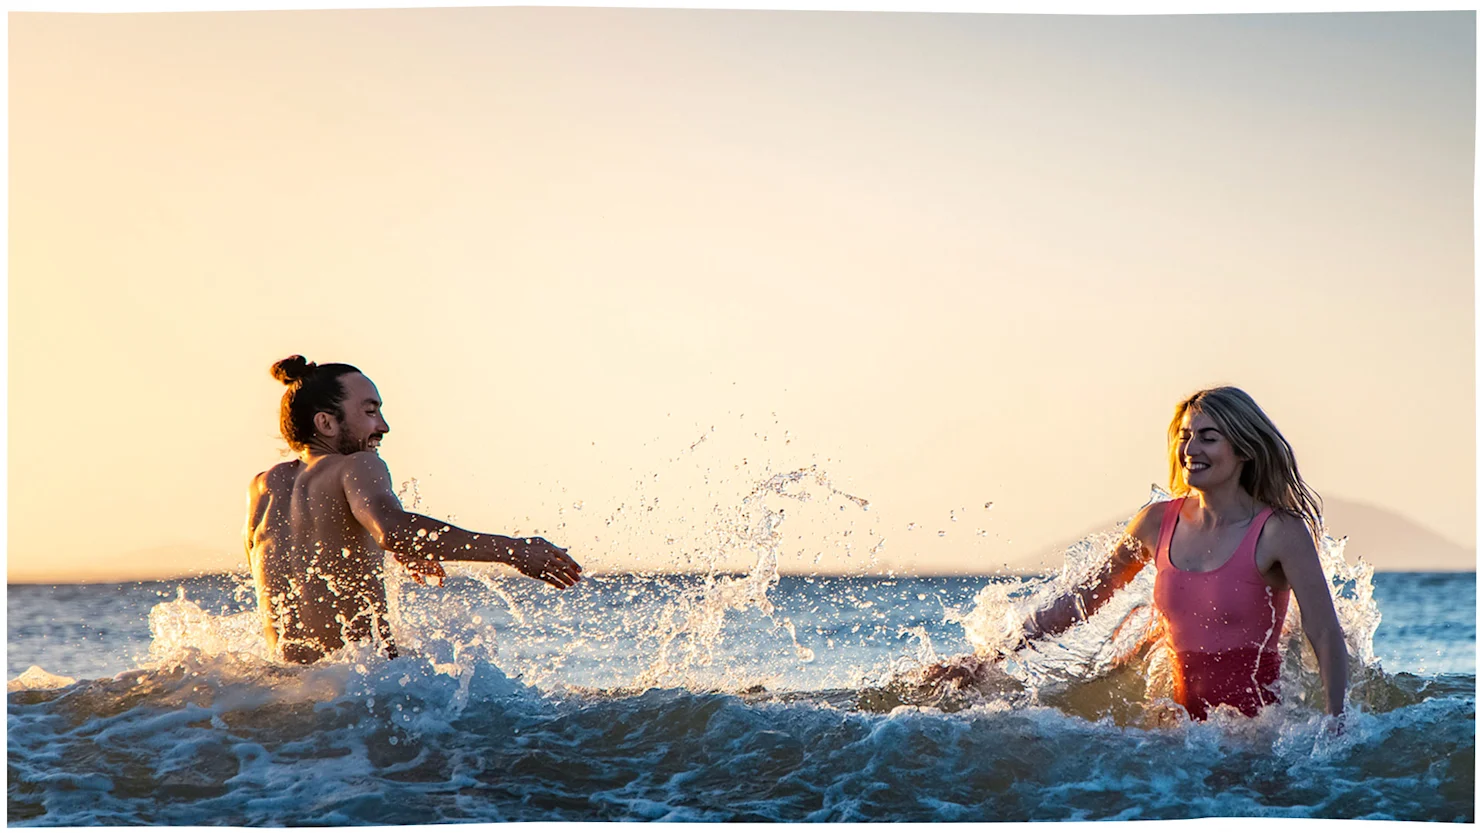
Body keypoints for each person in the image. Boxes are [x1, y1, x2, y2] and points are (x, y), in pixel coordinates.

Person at [926, 387, 1347, 720]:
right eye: (1185, 436)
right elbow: (1080, 600)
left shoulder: (1279, 532)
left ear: (1244, 450)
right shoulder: (1155, 523)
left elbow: (1325, 632)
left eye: (1208, 437)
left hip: (1254, 735)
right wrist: (988, 659)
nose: (1191, 449)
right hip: (1175, 732)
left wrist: (1335, 720)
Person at [244, 355, 583, 664]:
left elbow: (315, 555)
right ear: (326, 423)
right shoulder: (357, 465)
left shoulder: (263, 488)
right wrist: (513, 550)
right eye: (369, 411)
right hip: (358, 691)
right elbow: (392, 530)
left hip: (291, 691)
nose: (383, 426)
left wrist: (398, 546)